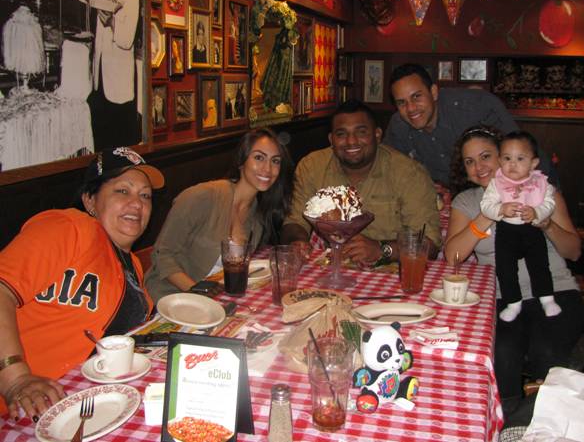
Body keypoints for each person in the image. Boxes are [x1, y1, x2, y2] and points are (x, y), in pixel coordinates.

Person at [0, 147, 164, 420]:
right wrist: (16, 379)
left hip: (86, 404)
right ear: (90, 200)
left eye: (145, 195)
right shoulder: (67, 228)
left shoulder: (132, 265)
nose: (137, 204)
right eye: (122, 191)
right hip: (23, 410)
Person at [444, 125, 583, 413]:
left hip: (555, 290)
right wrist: (489, 213)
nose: (479, 167)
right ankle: (507, 421)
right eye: (470, 161)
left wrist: (546, 224)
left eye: (486, 156)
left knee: (546, 351)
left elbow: (574, 251)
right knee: (502, 354)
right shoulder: (466, 202)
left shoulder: (542, 190)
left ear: (506, 156)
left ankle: (548, 419)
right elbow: (453, 256)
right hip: (502, 297)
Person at [281, 99, 442, 268]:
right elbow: (294, 221)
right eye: (341, 134)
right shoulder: (312, 166)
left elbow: (429, 244)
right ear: (331, 139)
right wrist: (297, 242)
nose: (351, 141)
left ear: (377, 135)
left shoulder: (408, 173)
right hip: (332, 268)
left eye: (361, 132)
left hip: (391, 271)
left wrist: (382, 250)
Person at [145, 128, 294, 302]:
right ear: (241, 161)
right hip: (171, 297)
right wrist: (200, 294)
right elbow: (162, 254)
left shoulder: (258, 218)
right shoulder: (203, 197)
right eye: (259, 158)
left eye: (275, 161)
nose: (267, 169)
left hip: (215, 297)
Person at [385, 63, 558, 187]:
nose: (411, 108)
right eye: (401, 102)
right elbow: (388, 169)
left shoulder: (475, 107)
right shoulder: (398, 127)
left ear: (434, 92)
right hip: (459, 199)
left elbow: (521, 154)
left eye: (417, 96)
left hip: (526, 183)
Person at [480, 131, 560, 322]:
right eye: (507, 158)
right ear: (500, 160)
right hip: (506, 233)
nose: (512, 164)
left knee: (540, 265)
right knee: (505, 269)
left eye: (520, 158)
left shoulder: (541, 183)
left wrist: (537, 212)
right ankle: (513, 302)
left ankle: (547, 298)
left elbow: (550, 203)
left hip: (531, 230)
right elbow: (485, 206)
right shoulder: (497, 184)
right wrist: (500, 209)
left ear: (533, 163)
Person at [73, 0, 141, 149]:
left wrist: (111, 22)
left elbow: (127, 40)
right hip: (101, 77)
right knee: (101, 141)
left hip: (119, 83)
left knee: (118, 144)